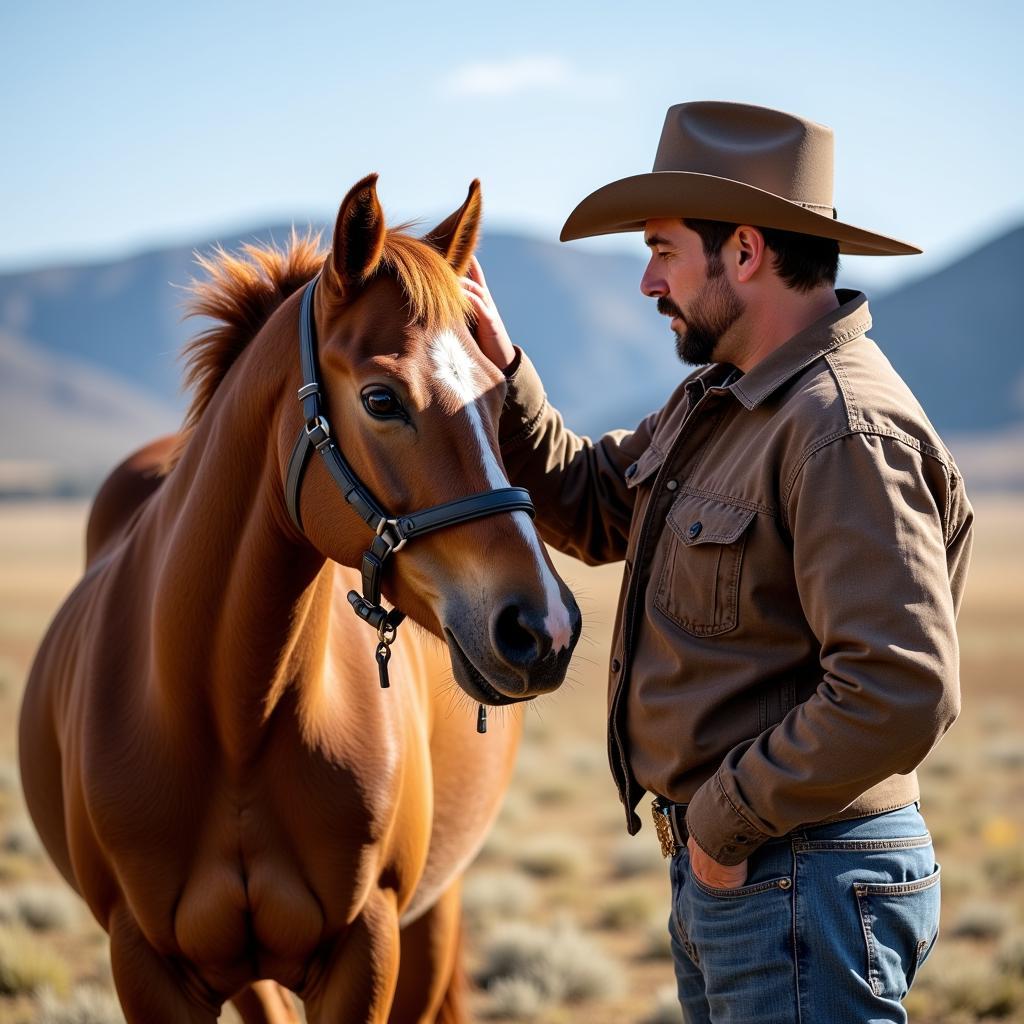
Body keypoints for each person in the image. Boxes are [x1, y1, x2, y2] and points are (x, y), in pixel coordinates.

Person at [460, 101, 974, 1023]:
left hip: (799, 876)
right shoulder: (723, 402)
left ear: (743, 252)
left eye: (662, 251)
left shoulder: (840, 430)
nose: (648, 283)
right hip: (756, 878)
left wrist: (723, 821)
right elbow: (594, 503)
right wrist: (506, 376)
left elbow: (899, 687)